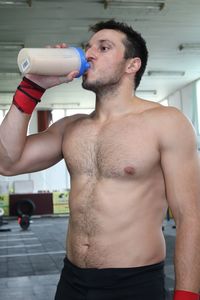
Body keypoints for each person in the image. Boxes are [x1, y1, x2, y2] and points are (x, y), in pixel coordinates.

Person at [0, 19, 200, 300]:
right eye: (87, 47)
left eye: (103, 48)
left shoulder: (166, 123)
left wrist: (187, 296)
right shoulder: (70, 128)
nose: (89, 54)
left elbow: (190, 217)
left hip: (134, 284)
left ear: (132, 65)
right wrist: (32, 87)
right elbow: (7, 162)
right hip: (72, 281)